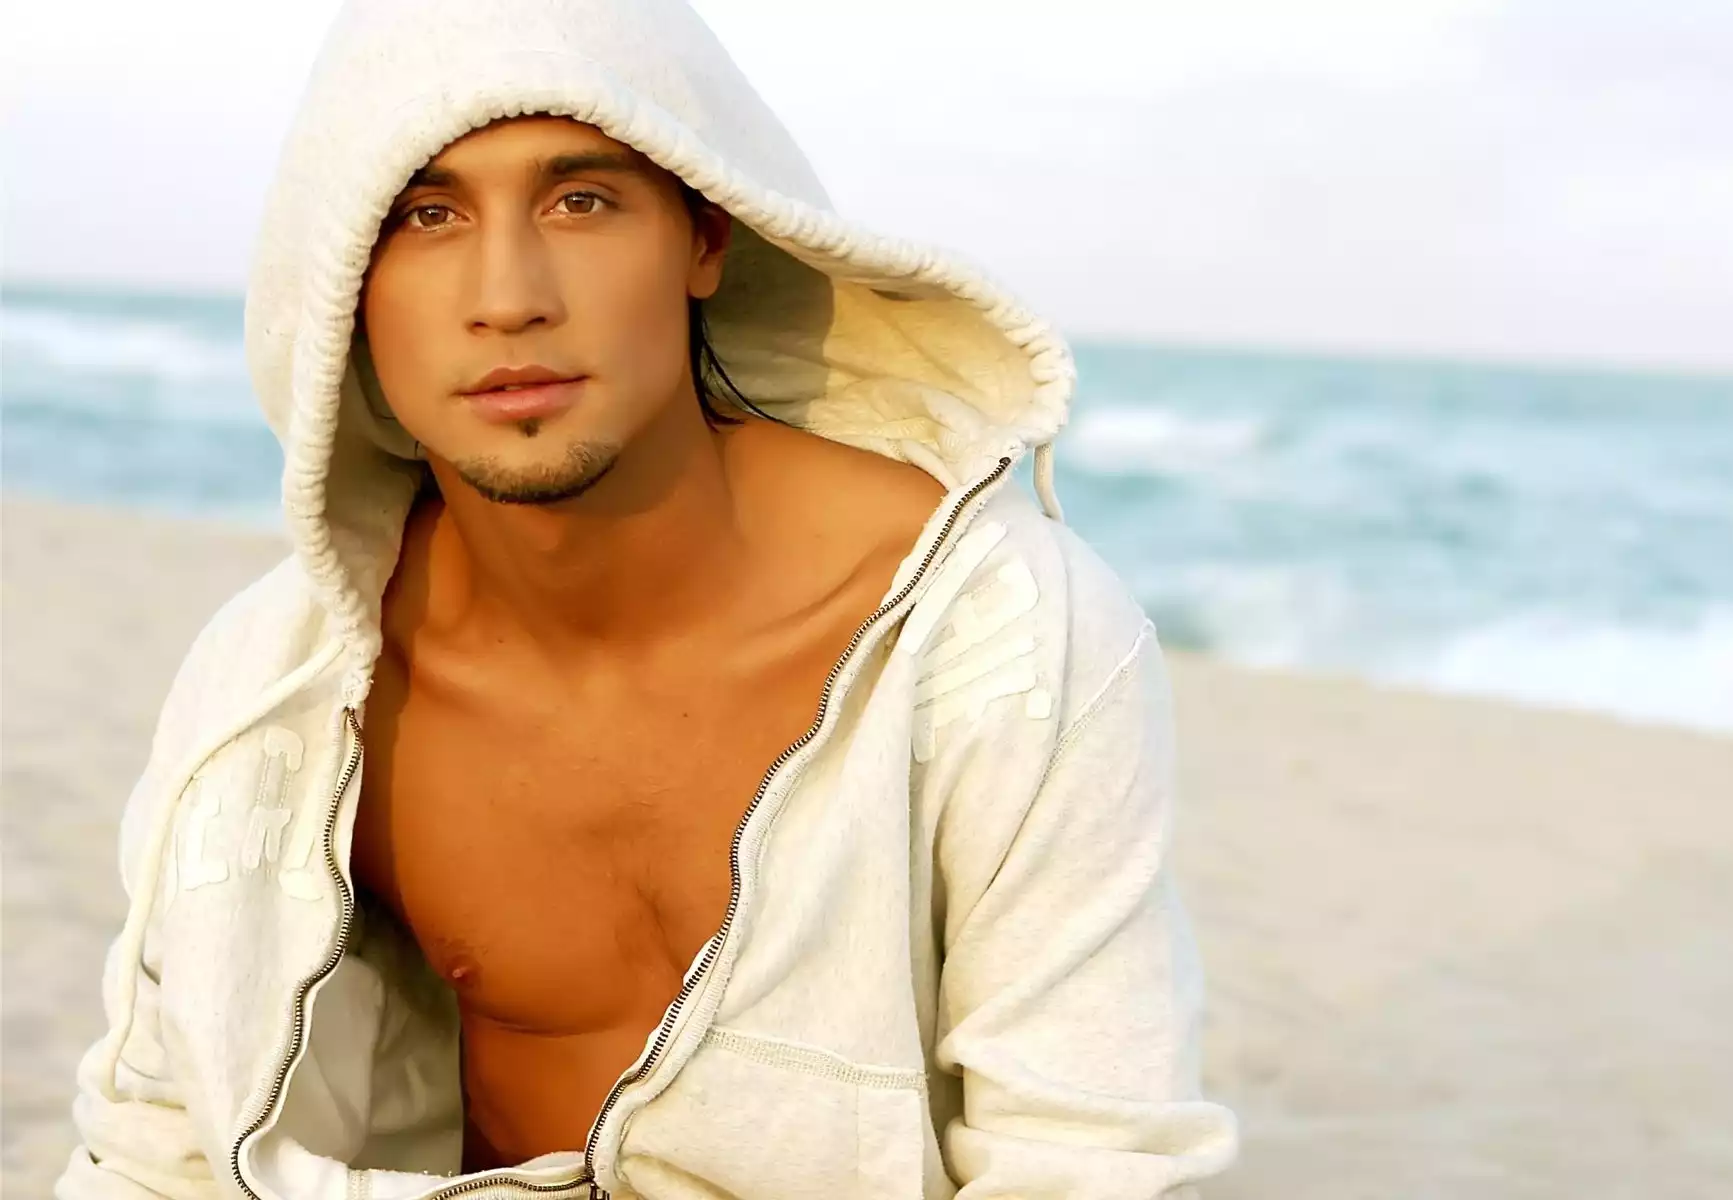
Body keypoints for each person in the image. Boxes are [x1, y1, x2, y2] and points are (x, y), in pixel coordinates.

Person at [57, 0, 1238, 1197]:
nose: (508, 297)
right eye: (426, 215)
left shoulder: (992, 633)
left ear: (705, 237)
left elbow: (1089, 1158)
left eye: (581, 200)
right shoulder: (280, 684)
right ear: (343, 284)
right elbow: (161, 1146)